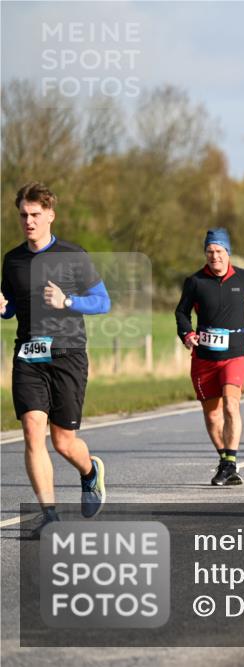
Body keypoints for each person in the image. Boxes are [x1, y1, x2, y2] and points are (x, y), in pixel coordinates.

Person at [2, 182, 111, 537]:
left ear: (50, 215)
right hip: (29, 355)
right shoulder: (13, 260)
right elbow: (13, 305)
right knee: (33, 431)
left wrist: (68, 301)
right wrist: (3, 308)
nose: (28, 221)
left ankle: (89, 471)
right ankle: (49, 515)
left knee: (63, 441)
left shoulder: (73, 255)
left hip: (68, 355)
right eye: (23, 215)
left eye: (35, 214)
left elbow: (103, 302)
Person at [176, 228, 244, 486]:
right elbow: (181, 313)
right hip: (204, 357)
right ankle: (226, 463)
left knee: (231, 404)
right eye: (210, 251)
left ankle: (230, 462)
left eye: (219, 251)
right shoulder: (195, 281)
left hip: (236, 353)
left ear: (228, 252)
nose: (215, 256)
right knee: (212, 415)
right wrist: (187, 334)